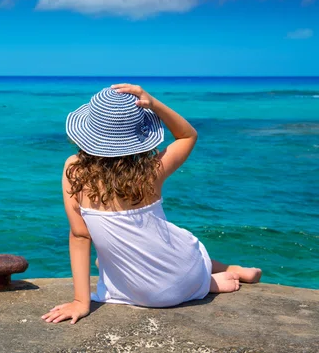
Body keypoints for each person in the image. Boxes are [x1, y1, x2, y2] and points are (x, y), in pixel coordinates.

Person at [42, 84, 262, 325]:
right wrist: (154, 103)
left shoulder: (74, 170)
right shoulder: (150, 172)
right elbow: (188, 135)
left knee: (101, 260)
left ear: (89, 132)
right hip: (180, 276)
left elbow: (80, 236)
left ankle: (215, 278)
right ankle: (219, 275)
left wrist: (80, 302)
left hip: (140, 293)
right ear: (137, 136)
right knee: (184, 248)